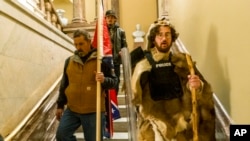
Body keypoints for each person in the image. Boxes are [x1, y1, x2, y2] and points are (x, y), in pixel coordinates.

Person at [131, 18, 215, 141]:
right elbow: (136, 97)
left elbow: (200, 89)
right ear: (153, 39)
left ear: (172, 37)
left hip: (180, 126)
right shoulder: (142, 65)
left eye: (167, 34)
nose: (164, 39)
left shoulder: (183, 62)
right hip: (154, 126)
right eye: (160, 35)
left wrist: (198, 86)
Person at [55, 29, 118, 141]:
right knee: (62, 135)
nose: (78, 47)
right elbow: (64, 84)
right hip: (72, 110)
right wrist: (60, 105)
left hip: (93, 110)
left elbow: (114, 82)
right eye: (76, 44)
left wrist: (104, 80)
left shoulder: (101, 60)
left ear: (89, 42)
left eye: (81, 44)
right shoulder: (69, 61)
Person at [105, 10, 128, 95]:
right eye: (108, 17)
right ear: (105, 19)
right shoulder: (102, 31)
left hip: (116, 59)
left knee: (116, 79)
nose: (110, 19)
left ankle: (115, 97)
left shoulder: (121, 31)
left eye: (112, 17)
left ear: (115, 19)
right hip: (105, 59)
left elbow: (124, 45)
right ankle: (106, 98)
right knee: (106, 79)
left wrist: (122, 51)